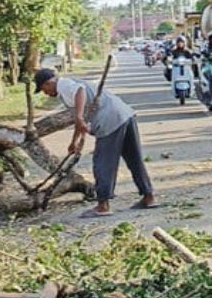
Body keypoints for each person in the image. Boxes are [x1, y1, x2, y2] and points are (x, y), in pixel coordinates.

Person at [34, 68, 158, 218]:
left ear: (48, 83)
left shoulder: (64, 85)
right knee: (134, 159)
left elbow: (80, 92)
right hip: (124, 115)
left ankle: (103, 205)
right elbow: (81, 120)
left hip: (110, 121)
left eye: (44, 90)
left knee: (103, 163)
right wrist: (74, 142)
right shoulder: (70, 86)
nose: (46, 93)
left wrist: (79, 117)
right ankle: (148, 196)